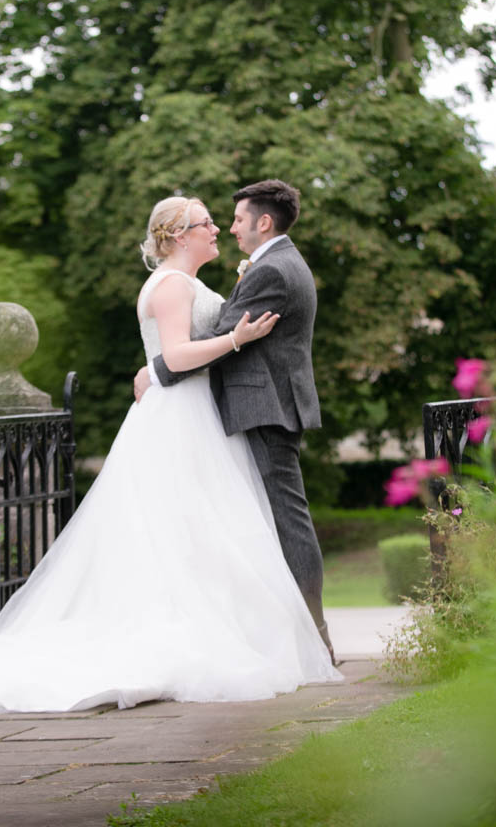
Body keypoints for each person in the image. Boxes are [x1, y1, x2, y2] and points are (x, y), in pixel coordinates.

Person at [0, 196, 340, 715]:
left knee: (203, 530)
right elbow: (177, 355)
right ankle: (192, 638)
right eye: (206, 223)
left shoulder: (188, 283)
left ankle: (232, 629)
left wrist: (171, 363)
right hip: (180, 416)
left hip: (195, 411)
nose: (217, 228)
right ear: (180, 235)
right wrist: (234, 340)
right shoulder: (173, 285)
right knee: (188, 527)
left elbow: (177, 353)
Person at [135, 180, 334, 660]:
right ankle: (290, 635)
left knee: (283, 520)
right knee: (238, 522)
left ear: (264, 222)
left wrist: (154, 371)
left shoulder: (272, 270)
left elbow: (224, 335)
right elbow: (221, 335)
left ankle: (313, 634)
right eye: (210, 222)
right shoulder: (268, 265)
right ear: (179, 235)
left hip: (263, 406)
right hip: (226, 409)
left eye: (238, 218)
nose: (227, 227)